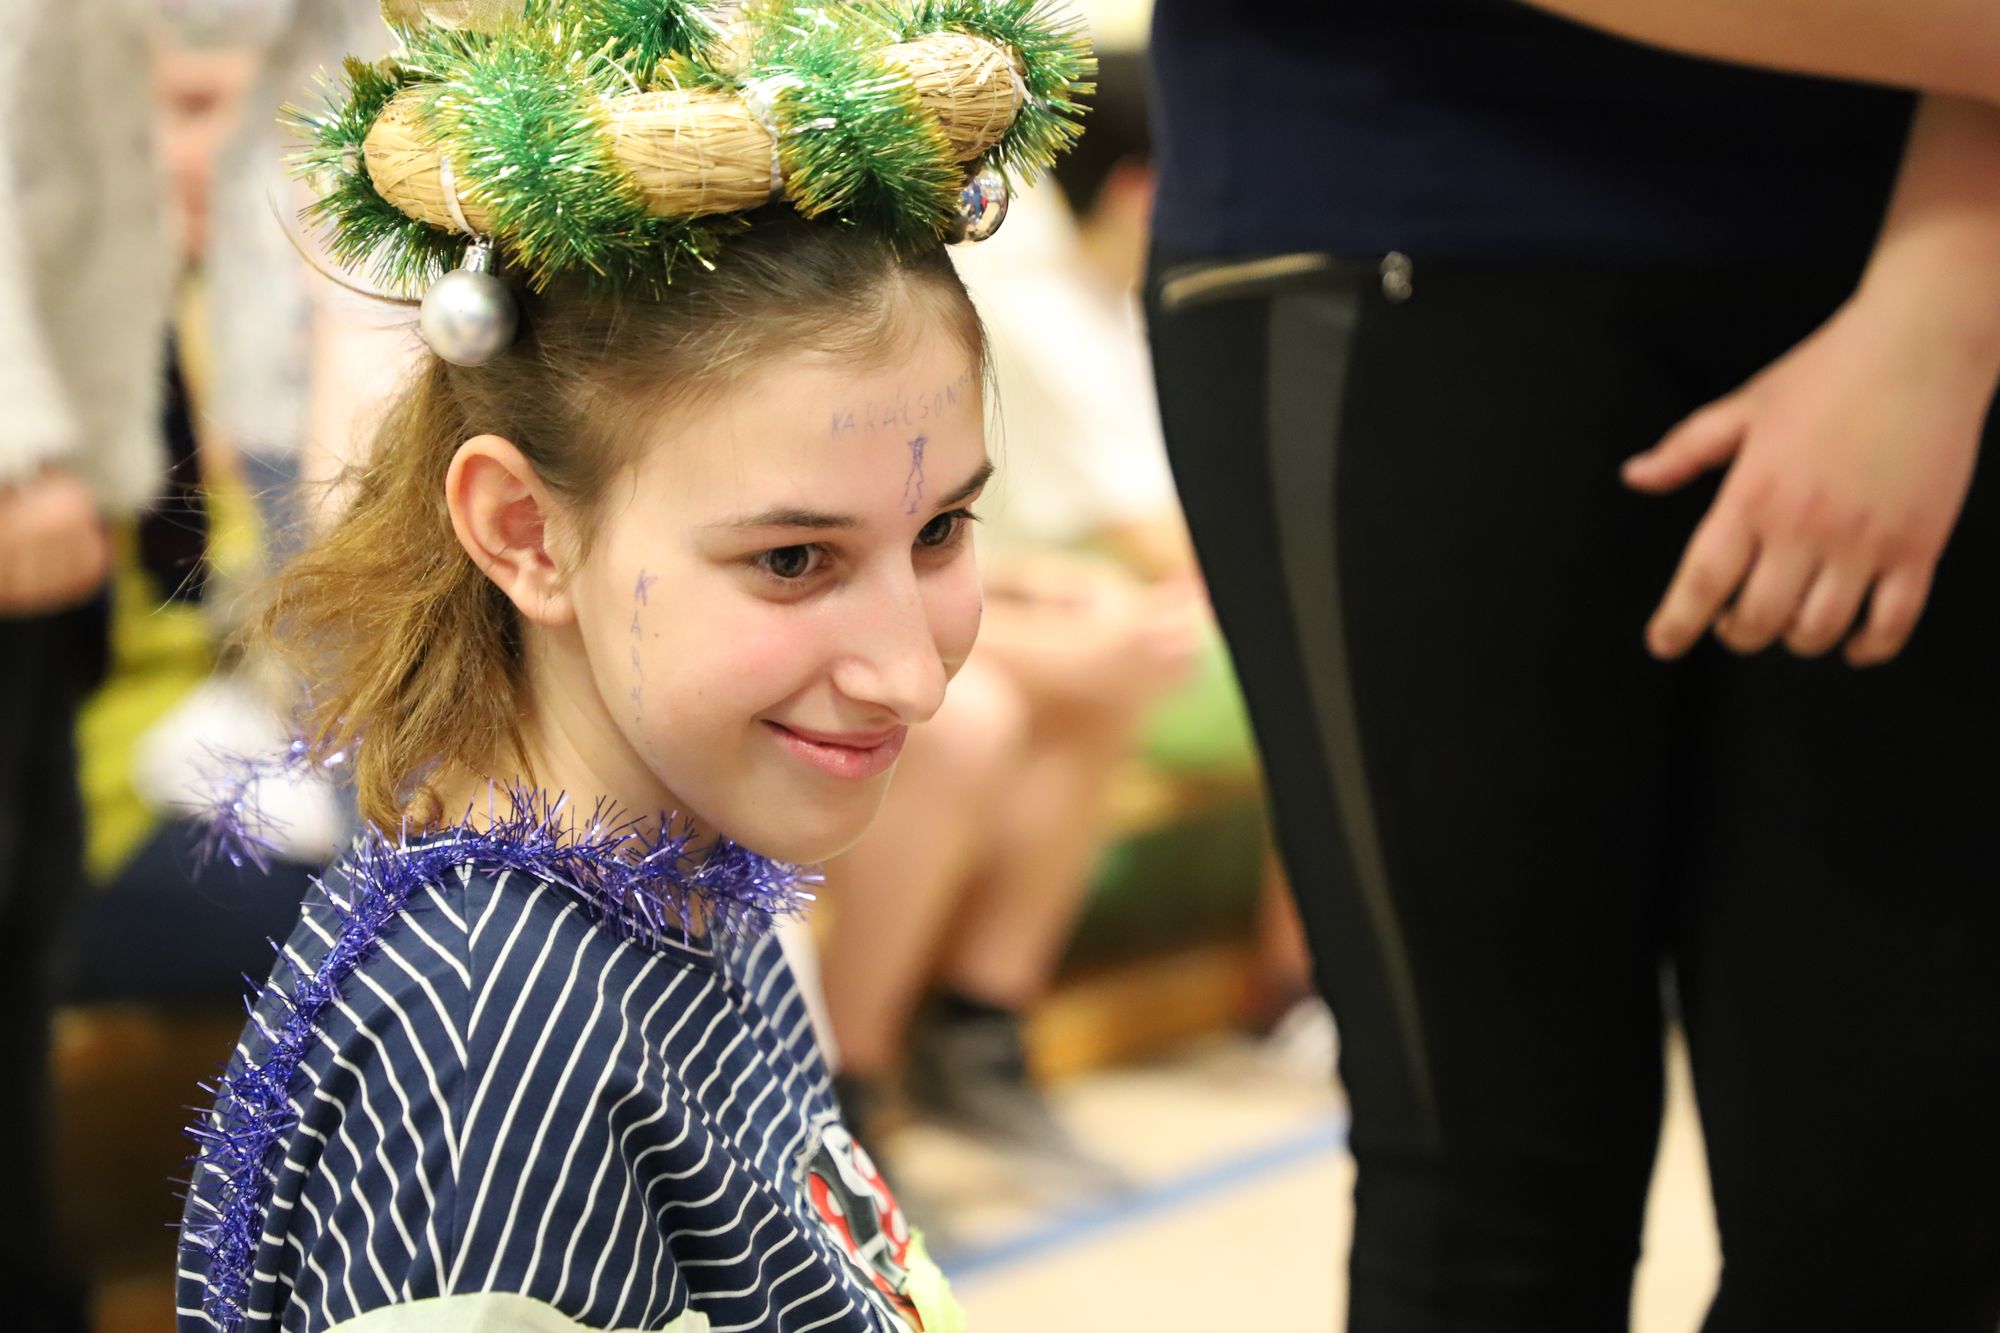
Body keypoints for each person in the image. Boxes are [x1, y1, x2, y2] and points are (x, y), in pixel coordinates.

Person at [172, 3, 1093, 1330]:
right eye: (793, 559)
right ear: (525, 532)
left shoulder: (695, 880)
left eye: (941, 529)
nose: (915, 678)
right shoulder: (497, 1050)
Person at [1146, 2, 2000, 1329]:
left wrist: (1948, 301)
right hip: (1393, 222)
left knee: (1904, 1212)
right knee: (1493, 1195)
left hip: (1923, 257)